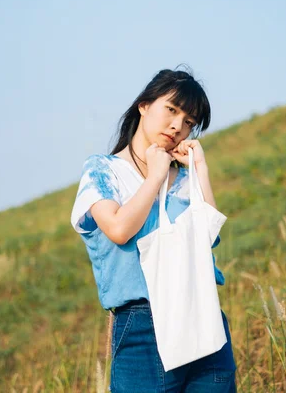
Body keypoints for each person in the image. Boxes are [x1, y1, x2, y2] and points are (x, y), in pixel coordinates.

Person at [70, 67, 237, 392]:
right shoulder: (103, 171)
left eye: (189, 121)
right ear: (144, 105)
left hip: (203, 317)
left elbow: (208, 239)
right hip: (145, 327)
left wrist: (200, 169)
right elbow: (118, 229)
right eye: (171, 110)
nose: (178, 126)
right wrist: (155, 177)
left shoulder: (186, 179)